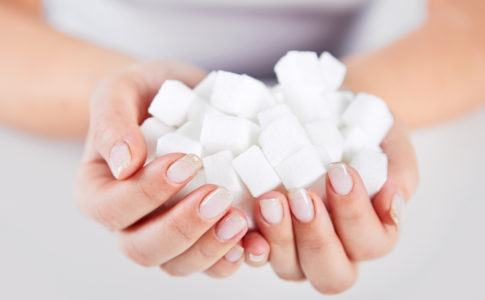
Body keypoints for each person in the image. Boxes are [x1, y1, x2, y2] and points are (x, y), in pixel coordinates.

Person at [0, 0, 483, 295]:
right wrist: (110, 102)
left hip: (362, 68)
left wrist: (345, 105)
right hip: (60, 94)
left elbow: (470, 20)